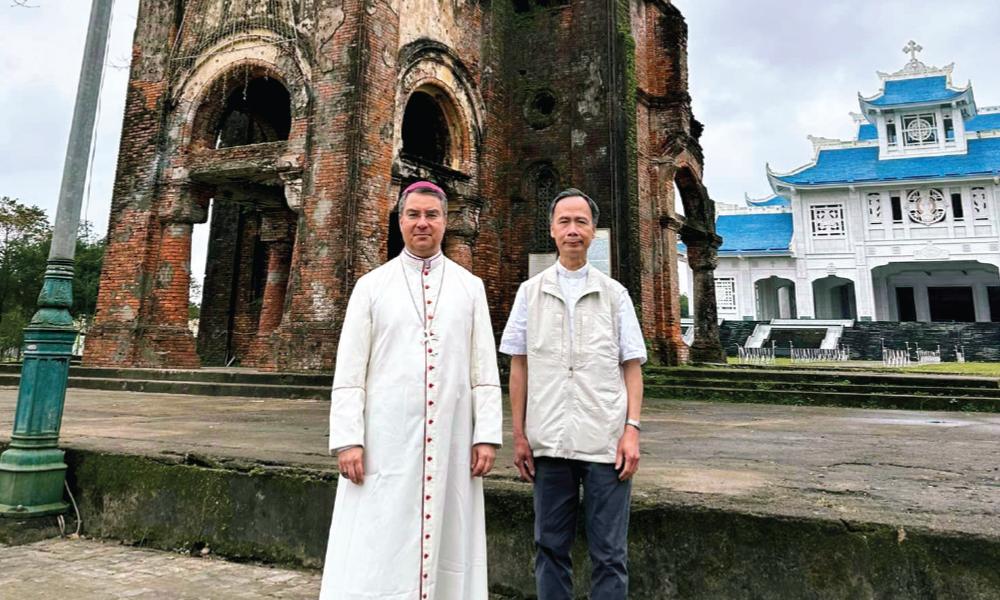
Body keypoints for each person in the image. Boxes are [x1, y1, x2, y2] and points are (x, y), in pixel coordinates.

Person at [319, 181, 503, 600]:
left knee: (450, 532)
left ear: (445, 221)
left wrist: (487, 435)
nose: (423, 223)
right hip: (385, 440)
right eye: (414, 215)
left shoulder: (469, 287)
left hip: (453, 438)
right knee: (379, 536)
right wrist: (348, 439)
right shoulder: (371, 286)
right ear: (400, 220)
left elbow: (484, 369)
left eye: (432, 215)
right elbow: (349, 372)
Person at [500, 188, 646, 599]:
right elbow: (520, 364)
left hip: (606, 441)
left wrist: (631, 429)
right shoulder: (529, 292)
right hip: (549, 441)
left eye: (581, 222)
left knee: (610, 553)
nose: (572, 230)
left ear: (593, 232)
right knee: (550, 547)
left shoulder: (615, 294)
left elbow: (631, 366)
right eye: (564, 221)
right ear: (551, 230)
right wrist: (520, 434)